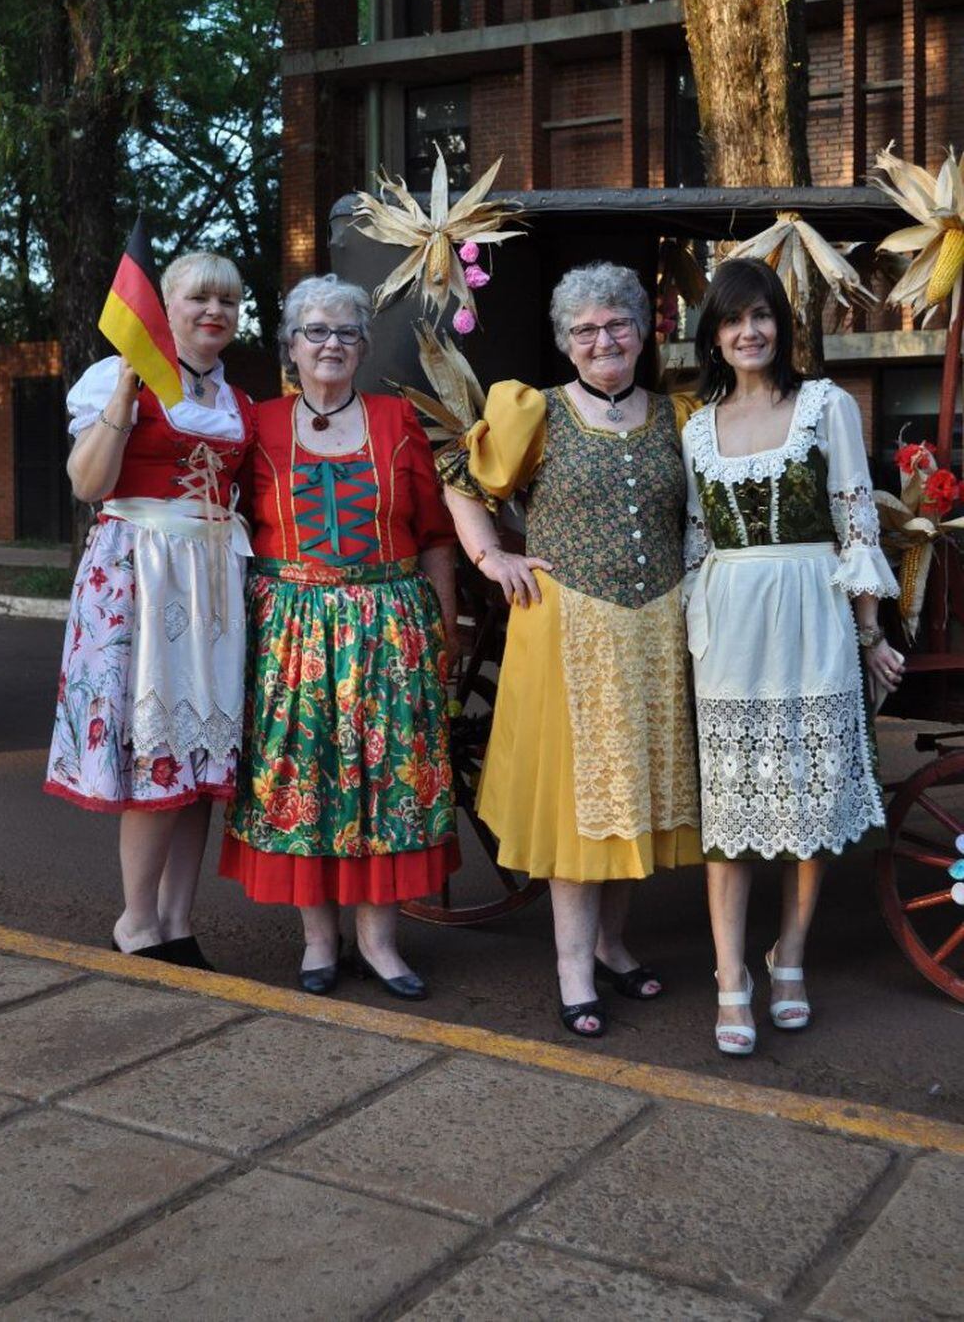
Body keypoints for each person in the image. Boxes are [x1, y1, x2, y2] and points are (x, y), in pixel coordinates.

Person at [439, 262, 702, 1039]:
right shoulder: (534, 412)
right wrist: (492, 558)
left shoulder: (679, 416)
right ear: (566, 342)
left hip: (655, 629)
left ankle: (613, 943)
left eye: (616, 323)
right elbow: (460, 478)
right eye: (584, 330)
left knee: (632, 798)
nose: (602, 339)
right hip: (566, 630)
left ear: (642, 328)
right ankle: (571, 968)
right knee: (574, 807)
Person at [682, 257, 902, 1056]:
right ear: (713, 333)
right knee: (731, 814)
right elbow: (695, 542)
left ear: (781, 326)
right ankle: (728, 977)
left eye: (762, 316)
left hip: (811, 610)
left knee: (807, 807)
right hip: (729, 622)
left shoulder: (824, 405)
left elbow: (856, 526)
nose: (749, 331)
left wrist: (869, 633)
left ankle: (790, 959)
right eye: (733, 319)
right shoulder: (696, 426)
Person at [219, 273, 459, 999]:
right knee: (303, 779)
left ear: (362, 346)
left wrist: (442, 639)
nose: (331, 343)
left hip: (390, 628)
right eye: (315, 331)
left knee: (387, 783)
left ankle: (380, 943)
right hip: (290, 632)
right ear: (290, 346)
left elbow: (436, 537)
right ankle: (318, 941)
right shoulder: (255, 425)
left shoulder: (396, 421)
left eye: (347, 332)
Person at [45, 251, 255, 968]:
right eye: (199, 298)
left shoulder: (237, 400)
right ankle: (135, 921)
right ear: (164, 306)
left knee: (201, 754)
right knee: (153, 752)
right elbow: (87, 483)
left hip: (214, 583)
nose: (214, 312)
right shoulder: (118, 379)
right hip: (139, 571)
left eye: (227, 301)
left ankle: (176, 919)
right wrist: (124, 399)